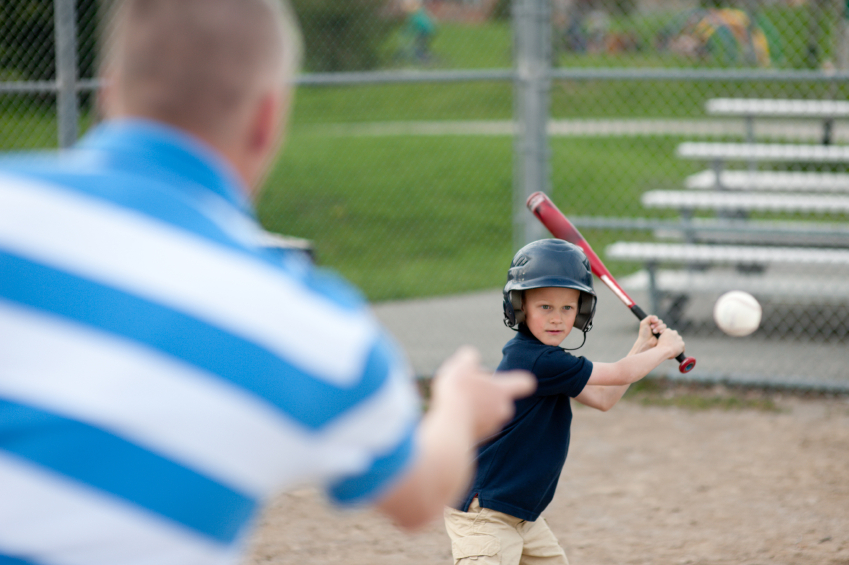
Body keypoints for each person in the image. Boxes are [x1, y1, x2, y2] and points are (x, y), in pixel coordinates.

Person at [0, 0, 534, 563]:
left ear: (108, 90)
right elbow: (420, 496)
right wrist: (456, 407)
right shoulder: (313, 330)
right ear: (265, 119)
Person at [444, 239, 686, 565]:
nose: (557, 318)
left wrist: (642, 345)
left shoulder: (549, 362)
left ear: (581, 311)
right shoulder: (536, 360)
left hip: (522, 515)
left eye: (567, 308)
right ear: (519, 307)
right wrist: (664, 351)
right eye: (545, 307)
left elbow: (603, 398)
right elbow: (616, 373)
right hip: (485, 513)